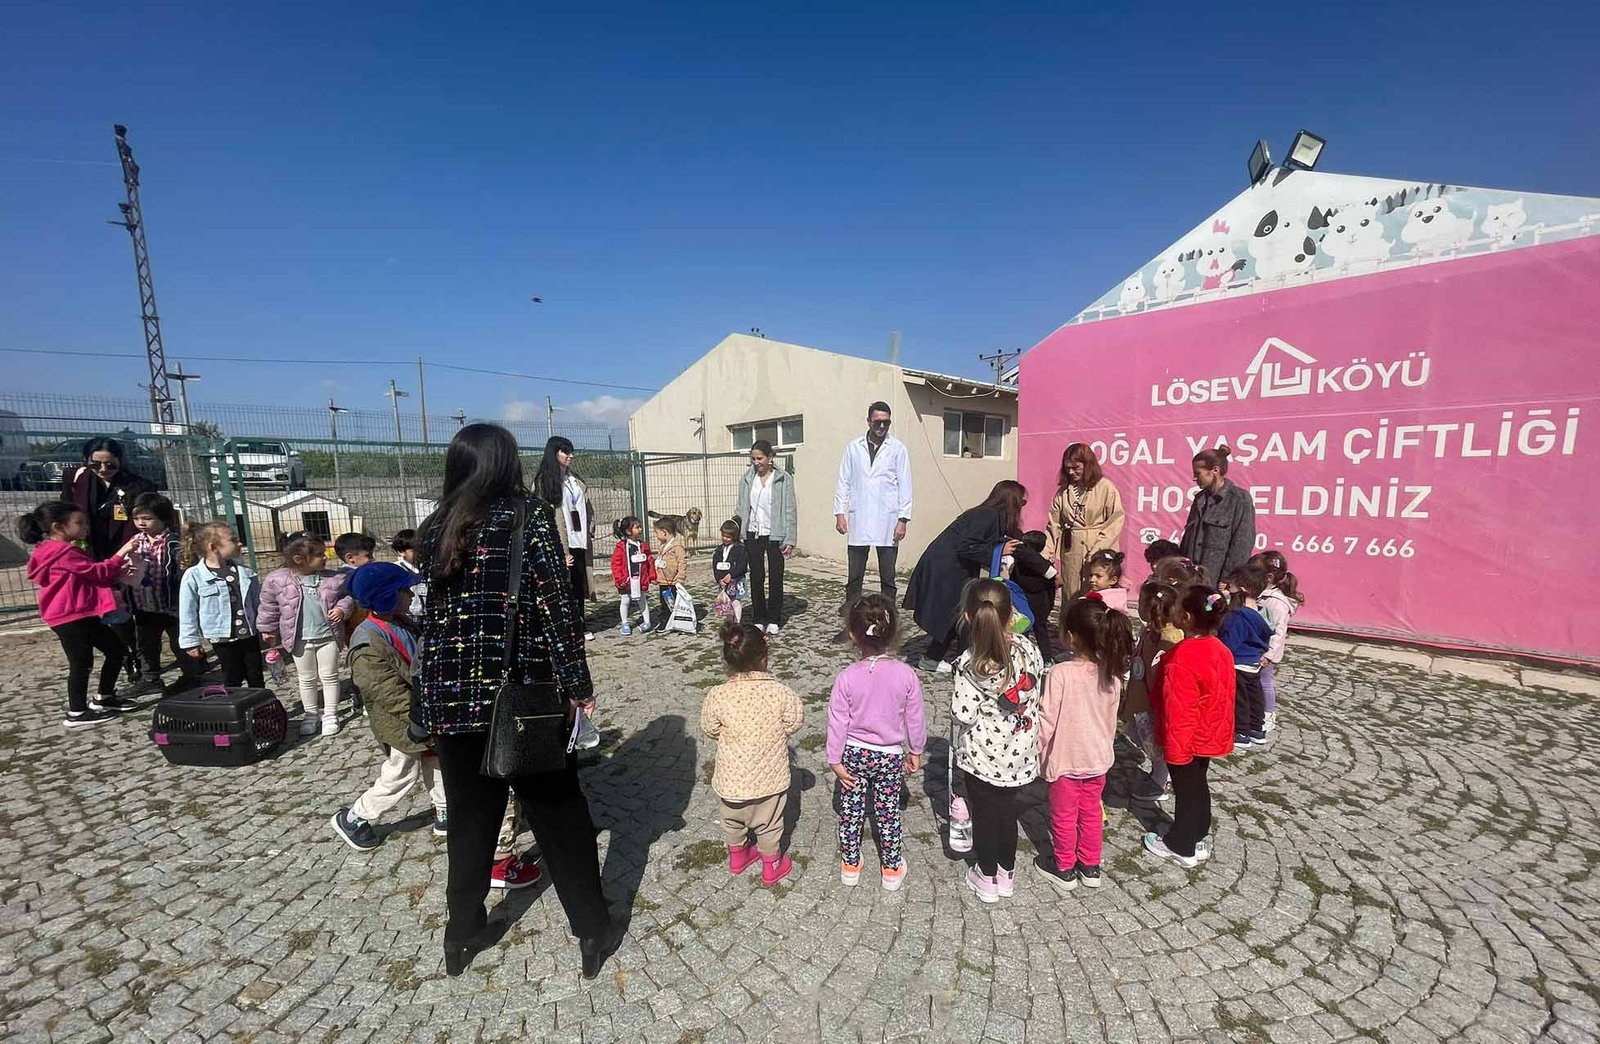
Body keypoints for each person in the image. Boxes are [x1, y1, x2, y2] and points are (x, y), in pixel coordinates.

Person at [413, 423, 618, 979]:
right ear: (507, 463)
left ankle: (461, 934)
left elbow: (434, 624)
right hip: (521, 698)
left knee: (470, 821)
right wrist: (578, 686)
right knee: (560, 816)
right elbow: (558, 612)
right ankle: (592, 929)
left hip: (453, 702)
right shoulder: (526, 519)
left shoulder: (436, 527)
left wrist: (424, 706)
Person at [330, 563, 449, 851]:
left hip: (422, 714)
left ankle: (445, 810)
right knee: (400, 774)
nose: (410, 595)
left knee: (438, 762)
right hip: (402, 722)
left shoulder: (402, 622)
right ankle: (355, 816)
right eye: (404, 590)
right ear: (386, 597)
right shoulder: (367, 642)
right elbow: (384, 690)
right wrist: (418, 713)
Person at [951, 580, 1045, 904]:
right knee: (1007, 813)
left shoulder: (971, 663)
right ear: (1011, 616)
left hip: (983, 756)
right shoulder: (1029, 648)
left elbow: (962, 713)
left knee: (986, 815)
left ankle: (986, 874)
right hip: (1019, 753)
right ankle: (1007, 872)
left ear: (967, 617)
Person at [827, 594, 926, 891]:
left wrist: (835, 759)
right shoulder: (906, 674)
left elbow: (837, 722)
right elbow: (915, 718)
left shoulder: (846, 677)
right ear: (892, 632)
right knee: (887, 811)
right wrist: (916, 749)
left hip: (854, 754)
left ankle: (850, 863)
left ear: (853, 636)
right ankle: (892, 868)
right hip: (888, 755)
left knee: (852, 810)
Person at [1037, 597, 1133, 894]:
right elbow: (1110, 721)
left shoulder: (1060, 673)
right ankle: (1090, 865)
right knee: (1091, 811)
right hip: (1097, 758)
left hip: (1066, 759)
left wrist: (1037, 751)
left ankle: (1064, 866)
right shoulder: (1112, 676)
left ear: (1071, 636)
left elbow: (1046, 719)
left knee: (1064, 815)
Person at [699, 622, 803, 887]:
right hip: (770, 779)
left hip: (732, 779)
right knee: (769, 825)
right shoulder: (781, 693)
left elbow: (710, 728)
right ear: (764, 656)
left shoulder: (718, 695)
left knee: (732, 821)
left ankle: (738, 856)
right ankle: (772, 865)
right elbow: (794, 722)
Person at [19, 502, 140, 727]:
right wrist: (122, 553)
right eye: (79, 523)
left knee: (116, 650)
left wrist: (115, 572)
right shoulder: (63, 552)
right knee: (81, 663)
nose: (86, 527)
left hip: (82, 613)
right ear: (58, 526)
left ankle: (104, 697)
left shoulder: (52, 550)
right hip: (69, 617)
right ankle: (77, 712)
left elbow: (87, 577)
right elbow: (96, 572)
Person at [1144, 586, 1235, 870]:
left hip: (1187, 738)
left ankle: (1180, 844)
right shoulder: (1220, 649)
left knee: (1187, 790)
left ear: (1184, 616)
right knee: (1198, 786)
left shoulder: (1182, 658)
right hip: (1209, 733)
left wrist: (1175, 751)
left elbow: (1178, 710)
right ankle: (1197, 835)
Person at [60, 436, 158, 681]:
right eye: (96, 465)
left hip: (126, 551)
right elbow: (66, 512)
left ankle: (140, 656)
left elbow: (143, 517)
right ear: (87, 462)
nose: (103, 470)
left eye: (110, 464)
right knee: (107, 608)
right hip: (90, 551)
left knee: (128, 607)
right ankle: (125, 654)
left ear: (120, 462)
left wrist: (127, 553)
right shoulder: (77, 481)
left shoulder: (137, 485)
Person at [904, 481, 1027, 673]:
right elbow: (967, 546)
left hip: (952, 567)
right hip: (946, 567)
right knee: (958, 613)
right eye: (1022, 502)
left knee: (958, 614)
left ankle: (937, 657)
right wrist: (1000, 551)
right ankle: (961, 660)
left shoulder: (990, 516)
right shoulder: (987, 515)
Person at [258, 534, 354, 737]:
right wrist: (267, 628)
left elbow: (347, 597)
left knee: (329, 676)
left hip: (328, 635)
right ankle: (310, 713)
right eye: (319, 554)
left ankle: (330, 714)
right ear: (299, 559)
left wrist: (342, 609)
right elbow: (269, 606)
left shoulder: (334, 578)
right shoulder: (277, 580)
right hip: (298, 638)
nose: (325, 557)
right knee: (306, 678)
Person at [833, 401, 913, 627]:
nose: (881, 426)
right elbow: (844, 481)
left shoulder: (897, 449)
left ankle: (888, 620)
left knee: (888, 578)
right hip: (860, 519)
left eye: (886, 422)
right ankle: (854, 621)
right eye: (877, 421)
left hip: (888, 520)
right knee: (854, 577)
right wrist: (840, 512)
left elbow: (906, 485)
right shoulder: (853, 447)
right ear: (868, 421)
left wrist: (903, 519)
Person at [178, 521, 264, 688]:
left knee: (256, 675)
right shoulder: (194, 576)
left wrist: (266, 626)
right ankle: (234, 710)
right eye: (233, 540)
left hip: (249, 635)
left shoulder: (245, 572)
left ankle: (260, 711)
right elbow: (187, 610)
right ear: (213, 547)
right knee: (232, 677)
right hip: (223, 638)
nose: (239, 543)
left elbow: (257, 602)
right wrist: (191, 641)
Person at [128, 493, 198, 692]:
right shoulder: (135, 541)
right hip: (144, 603)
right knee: (146, 643)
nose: (142, 523)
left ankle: (191, 675)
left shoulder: (174, 543)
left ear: (163, 518)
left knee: (180, 642)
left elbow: (186, 571)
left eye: (148, 518)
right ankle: (150, 677)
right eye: (137, 518)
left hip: (172, 604)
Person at [1125, 581, 1183, 804]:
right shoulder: (1150, 630)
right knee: (1136, 733)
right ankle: (1159, 771)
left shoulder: (1172, 637)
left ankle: (1161, 780)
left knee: (1155, 742)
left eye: (1140, 601)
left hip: (1155, 702)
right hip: (1140, 697)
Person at [534, 436, 595, 642]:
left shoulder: (575, 479)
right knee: (560, 586)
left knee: (578, 585)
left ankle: (579, 624)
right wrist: (557, 550)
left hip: (580, 540)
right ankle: (560, 626)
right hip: (560, 543)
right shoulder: (543, 481)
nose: (571, 456)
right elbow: (542, 516)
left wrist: (591, 527)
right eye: (565, 452)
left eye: (571, 452)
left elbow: (587, 506)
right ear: (554, 453)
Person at [1044, 443, 1124, 600]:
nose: (1071, 472)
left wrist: (1099, 548)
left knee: (1095, 596)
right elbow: (1054, 524)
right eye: (1068, 468)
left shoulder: (1106, 487)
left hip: (1098, 551)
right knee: (1071, 596)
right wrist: (1047, 552)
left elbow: (1115, 521)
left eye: (1076, 467)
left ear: (1087, 465)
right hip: (1071, 551)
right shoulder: (1062, 492)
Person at [733, 440, 796, 635]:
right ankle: (759, 617)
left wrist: (790, 538)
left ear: (770, 458)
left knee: (776, 576)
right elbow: (742, 506)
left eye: (760, 458)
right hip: (753, 533)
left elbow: (790, 510)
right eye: (753, 459)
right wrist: (739, 530)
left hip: (775, 533)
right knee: (756, 576)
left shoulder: (783, 479)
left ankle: (774, 618)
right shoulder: (747, 479)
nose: (756, 462)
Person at [1179, 445, 1257, 587]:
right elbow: (1188, 539)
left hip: (1217, 584)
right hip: (1192, 581)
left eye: (1198, 473)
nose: (1194, 478)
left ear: (1215, 470)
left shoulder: (1239, 499)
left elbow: (1242, 544)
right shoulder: (1199, 500)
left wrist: (1229, 579)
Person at [1220, 565, 1273, 747]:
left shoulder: (1239, 617)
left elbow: (1230, 643)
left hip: (1238, 662)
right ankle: (1256, 729)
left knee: (1239, 699)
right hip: (1253, 661)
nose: (1228, 589)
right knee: (1255, 697)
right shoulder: (1261, 613)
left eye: (1231, 587)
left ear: (1241, 590)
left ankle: (1241, 732)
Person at [1251, 551, 1304, 734]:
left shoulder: (1276, 603)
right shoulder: (1262, 596)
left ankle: (1268, 714)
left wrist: (1269, 655)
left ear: (1269, 577)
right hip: (1255, 647)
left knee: (1264, 682)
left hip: (1265, 652)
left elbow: (1279, 633)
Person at [1005, 531, 1060, 660]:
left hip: (1023, 602)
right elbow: (1051, 588)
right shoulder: (1043, 565)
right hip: (1041, 604)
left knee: (1023, 629)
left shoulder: (1023, 561)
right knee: (1040, 630)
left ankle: (1022, 656)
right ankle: (1046, 658)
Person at [610, 516, 656, 636]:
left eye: (640, 527)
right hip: (626, 581)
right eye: (637, 527)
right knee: (625, 600)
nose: (640, 529)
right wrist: (620, 578)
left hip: (640, 579)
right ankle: (625, 623)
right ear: (628, 531)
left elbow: (649, 561)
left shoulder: (643, 546)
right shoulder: (621, 547)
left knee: (642, 600)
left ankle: (647, 622)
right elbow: (616, 564)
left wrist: (652, 576)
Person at [712, 519, 749, 625]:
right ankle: (729, 622)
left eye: (728, 537)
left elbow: (742, 566)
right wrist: (719, 579)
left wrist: (732, 575)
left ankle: (737, 622)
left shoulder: (740, 549)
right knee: (726, 602)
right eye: (723, 535)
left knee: (736, 601)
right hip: (723, 581)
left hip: (736, 580)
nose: (725, 538)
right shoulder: (719, 550)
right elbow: (715, 565)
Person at [653, 516, 688, 627]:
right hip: (663, 580)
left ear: (664, 532)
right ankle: (666, 618)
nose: (656, 536)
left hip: (673, 581)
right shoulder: (662, 546)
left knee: (672, 602)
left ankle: (670, 620)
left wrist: (680, 577)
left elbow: (682, 562)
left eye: (657, 533)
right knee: (664, 601)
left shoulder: (676, 546)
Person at [391, 529, 427, 618]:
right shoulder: (396, 570)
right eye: (414, 550)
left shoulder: (428, 567)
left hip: (427, 615)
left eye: (422, 548)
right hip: (408, 616)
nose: (420, 553)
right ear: (401, 552)